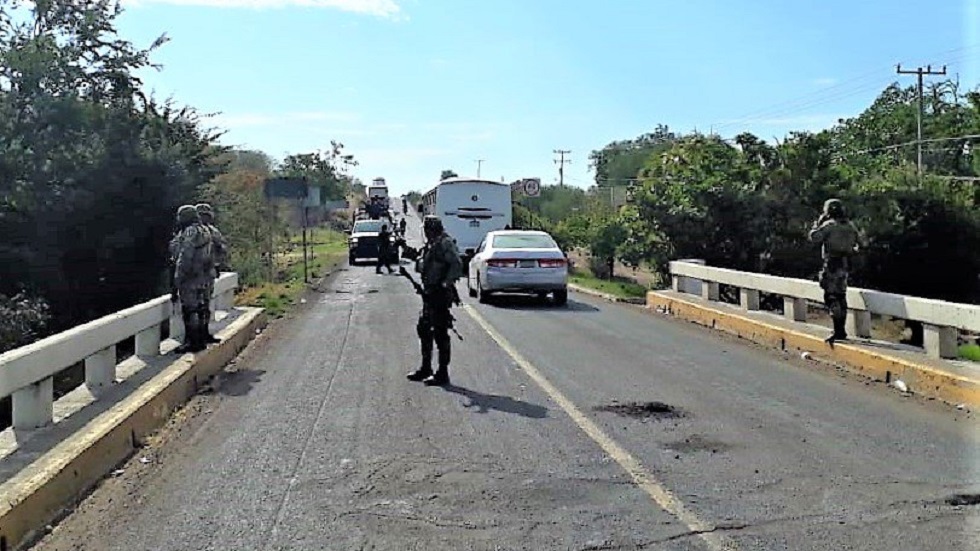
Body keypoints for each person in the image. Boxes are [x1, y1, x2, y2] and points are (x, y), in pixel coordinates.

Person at [407, 217, 463, 386]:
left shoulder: (445, 243)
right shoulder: (432, 244)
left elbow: (457, 264)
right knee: (424, 329)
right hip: (429, 292)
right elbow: (424, 263)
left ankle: (442, 373)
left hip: (439, 294)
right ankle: (426, 368)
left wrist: (446, 283)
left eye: (427, 229)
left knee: (440, 333)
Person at [809, 198, 859, 346]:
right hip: (845, 265)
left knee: (831, 297)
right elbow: (861, 243)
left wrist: (817, 224)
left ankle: (837, 330)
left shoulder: (829, 226)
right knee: (841, 296)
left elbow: (814, 237)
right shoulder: (850, 226)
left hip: (832, 263)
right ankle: (841, 329)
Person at [172, 205, 215, 353]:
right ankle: (201, 338)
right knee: (201, 307)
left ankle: (193, 342)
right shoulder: (205, 229)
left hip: (190, 277)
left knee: (190, 310)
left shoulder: (190, 232)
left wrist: (178, 277)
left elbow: (186, 255)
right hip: (203, 276)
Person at [196, 203, 228, 343]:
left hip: (206, 274)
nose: (204, 218)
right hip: (196, 275)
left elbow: (222, 249)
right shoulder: (192, 232)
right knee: (195, 306)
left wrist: (216, 264)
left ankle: (203, 333)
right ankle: (196, 336)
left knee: (205, 305)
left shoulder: (213, 232)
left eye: (206, 215)